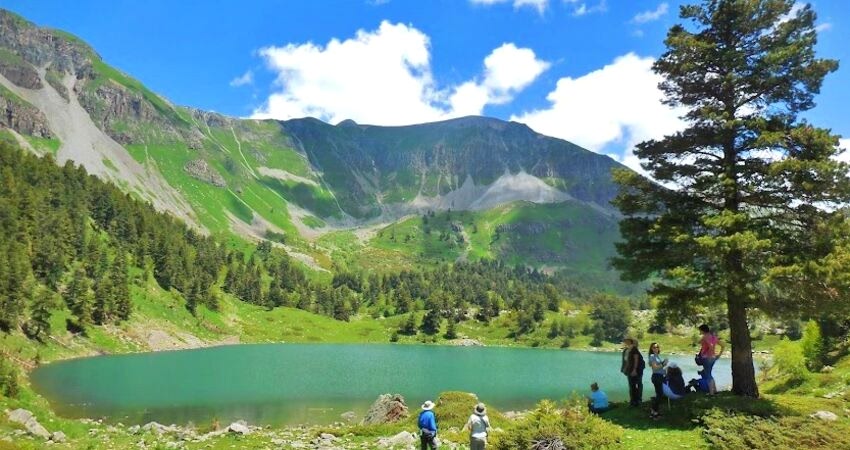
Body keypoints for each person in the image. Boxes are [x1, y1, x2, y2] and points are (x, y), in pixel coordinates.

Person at [697, 324, 724, 395]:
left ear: (703, 330)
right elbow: (723, 345)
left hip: (706, 358)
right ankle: (715, 391)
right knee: (709, 374)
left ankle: (711, 393)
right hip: (713, 358)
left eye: (700, 330)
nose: (699, 331)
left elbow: (710, 346)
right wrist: (719, 355)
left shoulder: (705, 337)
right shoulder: (714, 337)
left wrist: (708, 353)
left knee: (708, 375)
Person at [620, 338, 643, 407]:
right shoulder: (625, 350)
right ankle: (633, 401)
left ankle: (638, 401)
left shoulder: (634, 350)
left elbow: (636, 360)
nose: (625, 342)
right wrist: (624, 368)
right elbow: (626, 361)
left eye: (627, 341)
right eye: (625, 341)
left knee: (638, 385)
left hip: (637, 371)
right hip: (629, 371)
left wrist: (634, 370)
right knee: (631, 386)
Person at [648, 342, 668, 418]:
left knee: (659, 394)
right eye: (654, 347)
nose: (656, 348)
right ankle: (653, 410)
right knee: (660, 394)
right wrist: (663, 363)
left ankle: (654, 412)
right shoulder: (652, 356)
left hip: (660, 376)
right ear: (651, 349)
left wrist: (664, 365)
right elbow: (655, 367)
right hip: (656, 377)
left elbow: (659, 367)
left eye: (657, 347)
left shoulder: (657, 356)